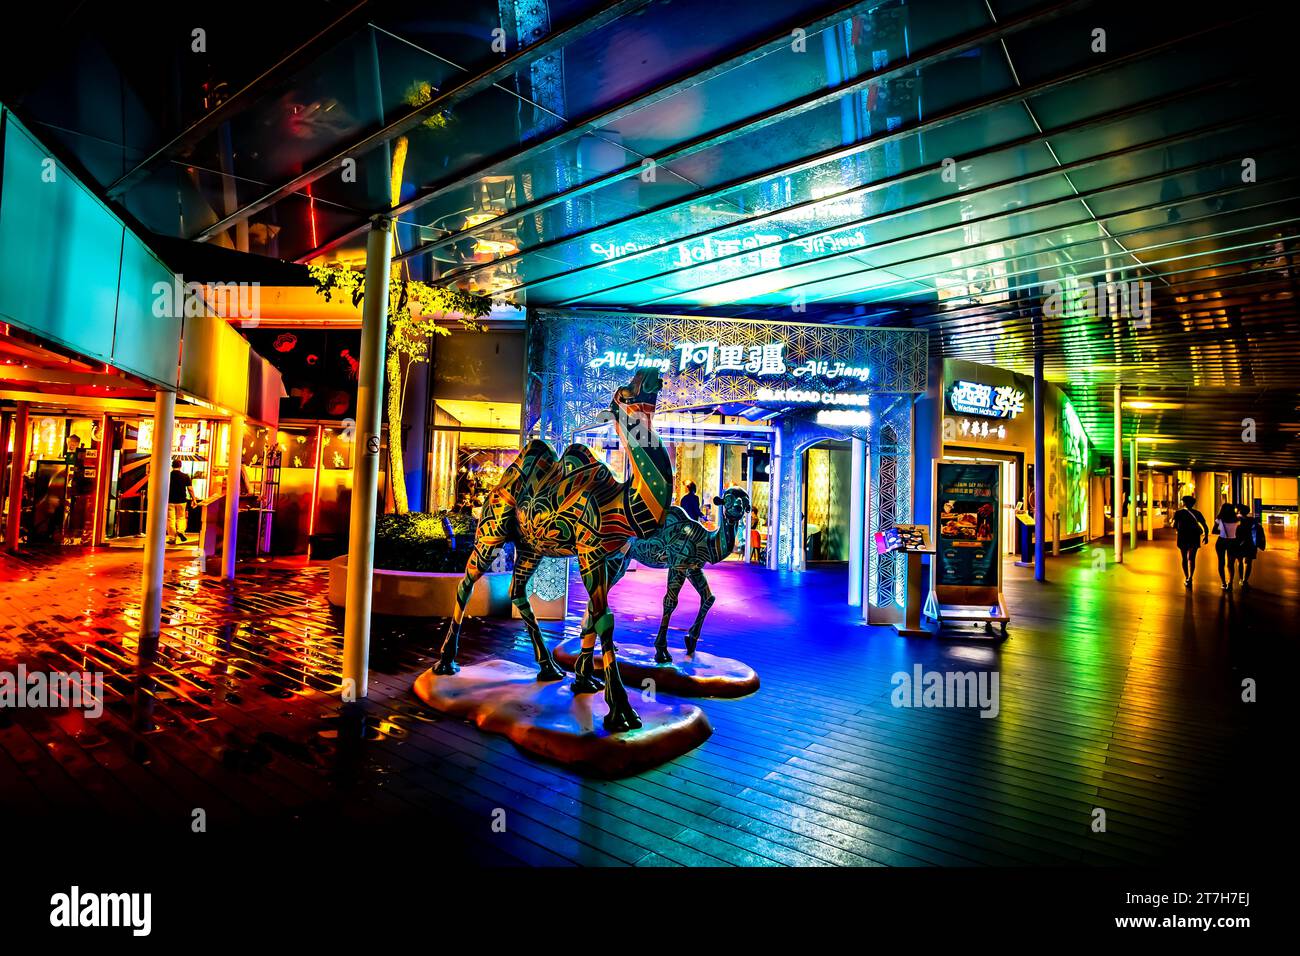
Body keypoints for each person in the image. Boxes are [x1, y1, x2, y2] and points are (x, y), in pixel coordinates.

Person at [1171, 495, 1209, 587]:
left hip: (1183, 536)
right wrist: (1206, 536)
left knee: (1184, 558)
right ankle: (1190, 577)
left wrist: (1173, 524)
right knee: (1192, 558)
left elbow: (1174, 526)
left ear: (1184, 503)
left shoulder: (1178, 513)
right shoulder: (1197, 513)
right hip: (1194, 537)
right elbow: (1205, 526)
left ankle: (1187, 577)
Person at [1211, 502, 1241, 590]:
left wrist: (1223, 531)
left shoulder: (1219, 519)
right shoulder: (1237, 520)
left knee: (1221, 562)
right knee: (1231, 563)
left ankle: (1223, 583)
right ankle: (1230, 582)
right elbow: (1238, 532)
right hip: (1233, 542)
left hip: (1221, 541)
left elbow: (1213, 531)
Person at [1235, 503, 1264, 588]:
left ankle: (1240, 579)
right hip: (1251, 543)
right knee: (1248, 562)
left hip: (1239, 543)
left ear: (1239, 511)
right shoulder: (1253, 520)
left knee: (1239, 561)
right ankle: (1245, 580)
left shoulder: (1237, 520)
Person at [167, 458, 195, 544]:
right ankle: (180, 531)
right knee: (181, 517)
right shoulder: (185, 476)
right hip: (182, 500)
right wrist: (194, 499)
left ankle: (172, 538)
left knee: (170, 519)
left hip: (170, 500)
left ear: (172, 466)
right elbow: (190, 489)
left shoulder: (168, 476)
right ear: (180, 466)